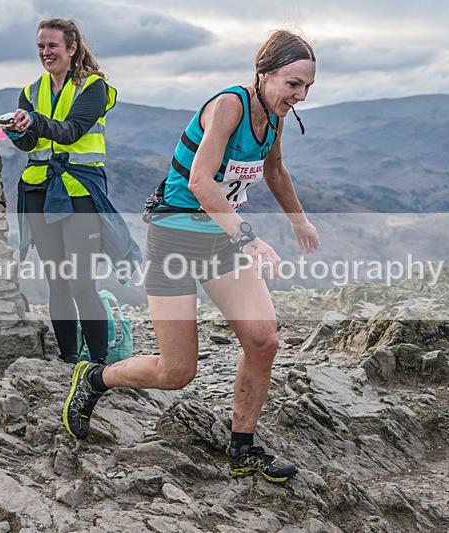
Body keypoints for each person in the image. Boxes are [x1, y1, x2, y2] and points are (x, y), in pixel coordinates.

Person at [64, 29, 320, 483]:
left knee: (264, 341)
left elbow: (275, 169)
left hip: (221, 241)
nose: (299, 96)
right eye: (292, 84)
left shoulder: (275, 117)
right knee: (176, 371)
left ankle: (242, 447)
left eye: (306, 87)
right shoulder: (229, 106)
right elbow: (201, 182)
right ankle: (94, 379)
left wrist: (299, 219)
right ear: (263, 74)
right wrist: (251, 238)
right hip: (175, 241)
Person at [6, 18, 139, 365]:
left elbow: (72, 131)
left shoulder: (94, 87)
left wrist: (33, 121)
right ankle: (67, 361)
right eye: (40, 46)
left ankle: (98, 364)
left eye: (52, 46)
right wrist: (17, 130)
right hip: (38, 190)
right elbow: (32, 143)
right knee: (58, 282)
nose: (45, 53)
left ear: (71, 48)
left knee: (81, 282)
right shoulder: (31, 91)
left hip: (78, 191)